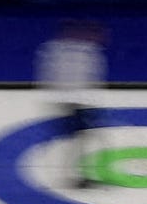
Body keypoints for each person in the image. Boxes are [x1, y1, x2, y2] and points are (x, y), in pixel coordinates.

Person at [35, 20, 107, 190]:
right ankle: (71, 176)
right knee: (76, 139)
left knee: (80, 139)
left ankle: (76, 175)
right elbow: (69, 78)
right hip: (72, 102)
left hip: (73, 101)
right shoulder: (79, 52)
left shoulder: (64, 50)